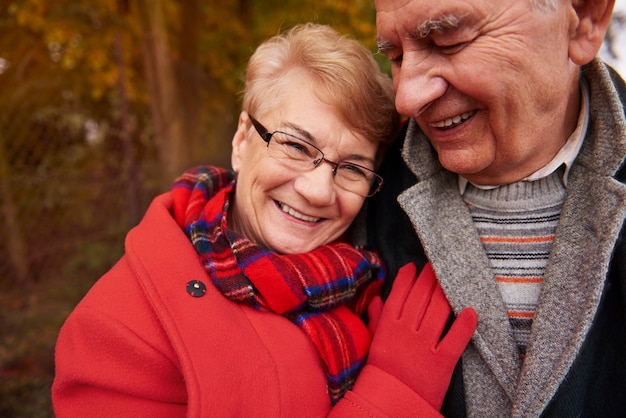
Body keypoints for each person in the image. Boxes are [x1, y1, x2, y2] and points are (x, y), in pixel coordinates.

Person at [52, 23, 477, 417]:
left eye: (351, 168)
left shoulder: (364, 281)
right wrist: (392, 394)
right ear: (241, 140)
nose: (317, 190)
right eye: (294, 145)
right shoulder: (116, 333)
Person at [367, 0, 626, 416]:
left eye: (448, 41)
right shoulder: (358, 188)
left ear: (584, 19)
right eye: (395, 56)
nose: (406, 97)